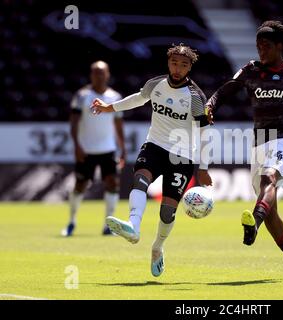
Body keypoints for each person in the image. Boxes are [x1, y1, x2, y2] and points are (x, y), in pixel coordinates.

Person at [205, 21, 283, 279]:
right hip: (259, 141)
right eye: (258, 46)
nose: (260, 51)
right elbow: (224, 91)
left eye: (265, 46)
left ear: (279, 46)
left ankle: (252, 223)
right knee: (271, 212)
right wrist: (210, 106)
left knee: (270, 178)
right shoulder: (250, 71)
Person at [90, 44, 212, 277]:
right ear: (168, 63)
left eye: (184, 65)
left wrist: (203, 168)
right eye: (174, 63)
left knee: (167, 212)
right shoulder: (155, 84)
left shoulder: (195, 98)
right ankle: (133, 226)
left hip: (181, 155)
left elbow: (205, 134)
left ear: (190, 68)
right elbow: (139, 98)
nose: (178, 69)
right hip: (154, 145)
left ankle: (157, 247)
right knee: (140, 180)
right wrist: (109, 108)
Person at [62, 61, 126, 237]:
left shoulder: (115, 97)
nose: (99, 75)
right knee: (80, 185)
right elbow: (74, 123)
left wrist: (123, 148)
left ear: (108, 74)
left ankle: (109, 224)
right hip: (87, 149)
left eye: (102, 72)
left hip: (108, 149)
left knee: (112, 183)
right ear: (91, 75)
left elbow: (119, 124)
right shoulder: (82, 96)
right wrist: (76, 145)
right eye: (96, 72)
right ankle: (71, 221)